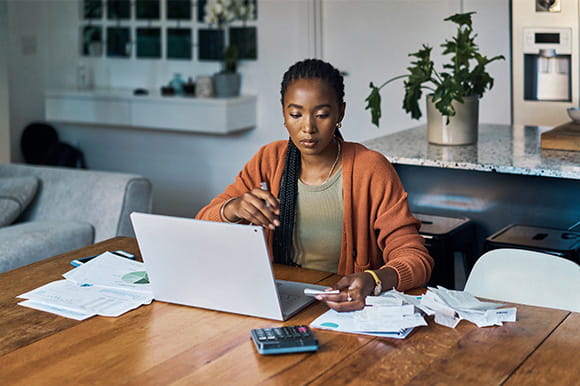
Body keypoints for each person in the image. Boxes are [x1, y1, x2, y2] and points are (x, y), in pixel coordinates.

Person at [196, 58, 433, 312]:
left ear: (340, 112)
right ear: (283, 113)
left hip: (345, 308)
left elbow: (416, 259)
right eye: (295, 114)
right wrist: (233, 208)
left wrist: (374, 280)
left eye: (321, 115)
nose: (308, 128)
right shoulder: (268, 160)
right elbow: (201, 226)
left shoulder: (370, 169)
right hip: (280, 302)